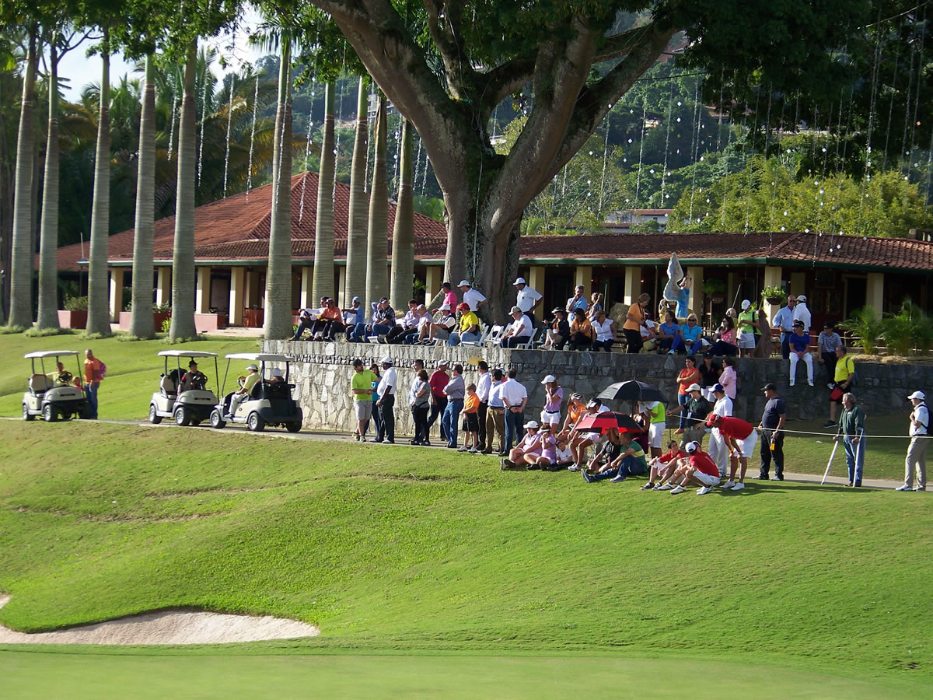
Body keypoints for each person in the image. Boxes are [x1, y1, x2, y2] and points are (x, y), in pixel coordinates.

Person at [705, 413, 758, 491]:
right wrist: (731, 451)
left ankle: (741, 483)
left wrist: (739, 452)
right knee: (733, 457)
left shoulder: (726, 424)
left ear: (717, 422)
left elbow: (732, 440)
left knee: (742, 458)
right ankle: (731, 481)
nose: (712, 425)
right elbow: (726, 439)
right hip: (741, 437)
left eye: (713, 424)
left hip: (749, 436)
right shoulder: (720, 425)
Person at [897, 391, 928, 492]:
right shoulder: (922, 408)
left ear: (917, 399)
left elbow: (917, 424)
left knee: (910, 459)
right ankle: (921, 485)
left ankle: (908, 484)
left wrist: (911, 418)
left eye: (913, 399)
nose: (911, 401)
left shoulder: (920, 409)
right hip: (922, 437)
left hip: (919, 437)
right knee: (920, 461)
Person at [835, 392, 866, 487]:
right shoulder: (844, 411)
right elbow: (841, 424)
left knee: (858, 459)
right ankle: (851, 480)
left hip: (854, 438)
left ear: (849, 401)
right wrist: (838, 434)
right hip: (846, 437)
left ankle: (857, 481)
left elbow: (858, 424)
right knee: (849, 460)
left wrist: (857, 437)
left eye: (844, 401)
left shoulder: (857, 410)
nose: (842, 403)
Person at [758, 383, 787, 481]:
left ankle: (778, 475)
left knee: (775, 453)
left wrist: (777, 431)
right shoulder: (769, 401)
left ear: (771, 391)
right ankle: (763, 474)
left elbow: (782, 417)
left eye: (766, 390)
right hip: (765, 431)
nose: (764, 392)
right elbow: (766, 414)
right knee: (764, 453)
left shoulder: (778, 402)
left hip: (773, 433)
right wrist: (761, 424)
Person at [825, 344, 856, 427]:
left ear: (842, 352)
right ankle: (832, 420)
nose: (836, 352)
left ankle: (850, 420)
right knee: (833, 400)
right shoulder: (839, 360)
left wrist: (846, 383)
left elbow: (851, 373)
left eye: (837, 351)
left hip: (843, 384)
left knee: (846, 402)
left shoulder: (848, 360)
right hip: (838, 384)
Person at [707, 384, 733, 478]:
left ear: (717, 392)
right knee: (711, 450)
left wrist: (724, 430)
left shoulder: (727, 401)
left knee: (722, 450)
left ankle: (722, 472)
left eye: (713, 392)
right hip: (714, 429)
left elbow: (727, 417)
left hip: (721, 429)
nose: (713, 394)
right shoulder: (718, 401)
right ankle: (711, 469)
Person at [501, 368, 528, 452]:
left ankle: (507, 449)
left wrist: (510, 407)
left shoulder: (504, 385)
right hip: (519, 407)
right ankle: (519, 448)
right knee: (519, 430)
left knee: (509, 430)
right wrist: (522, 407)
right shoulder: (521, 386)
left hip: (510, 408)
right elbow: (525, 398)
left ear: (507, 375)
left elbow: (504, 397)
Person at [351, 358, 378, 441]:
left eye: (361, 364)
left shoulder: (368, 372)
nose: (361, 366)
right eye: (359, 365)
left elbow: (377, 379)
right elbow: (354, 391)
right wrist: (365, 391)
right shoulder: (354, 377)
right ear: (355, 368)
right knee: (361, 419)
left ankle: (356, 432)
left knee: (366, 418)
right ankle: (362, 436)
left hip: (369, 399)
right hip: (359, 400)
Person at [674, 356, 701, 432]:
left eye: (689, 361)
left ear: (693, 362)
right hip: (681, 392)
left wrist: (681, 379)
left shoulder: (696, 371)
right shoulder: (683, 370)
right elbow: (677, 380)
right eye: (686, 361)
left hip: (690, 393)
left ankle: (691, 426)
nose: (687, 363)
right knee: (682, 409)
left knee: (690, 410)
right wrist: (682, 379)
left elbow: (689, 379)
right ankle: (681, 427)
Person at [442, 363, 466, 449]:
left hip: (456, 402)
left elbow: (447, 389)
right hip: (450, 402)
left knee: (453, 422)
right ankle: (450, 440)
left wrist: (446, 390)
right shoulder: (453, 379)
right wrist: (446, 390)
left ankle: (453, 442)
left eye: (453, 370)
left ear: (456, 371)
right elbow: (446, 389)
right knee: (445, 420)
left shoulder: (458, 380)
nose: (451, 371)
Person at [374, 357, 397, 443]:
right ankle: (380, 436)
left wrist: (381, 399)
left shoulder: (390, 372)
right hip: (384, 397)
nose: (382, 365)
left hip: (386, 398)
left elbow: (388, 387)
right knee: (382, 418)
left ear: (387, 364)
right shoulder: (388, 372)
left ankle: (390, 438)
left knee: (387, 419)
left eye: (383, 363)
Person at [484, 369, 506, 455]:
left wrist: (503, 409)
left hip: (498, 409)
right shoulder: (492, 385)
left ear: (494, 377)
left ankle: (501, 448)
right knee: (489, 428)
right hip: (490, 408)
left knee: (499, 429)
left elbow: (505, 397)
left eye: (491, 376)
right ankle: (488, 447)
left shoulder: (501, 386)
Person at [427, 360, 450, 443]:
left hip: (444, 398)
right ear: (439, 366)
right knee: (433, 416)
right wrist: (433, 398)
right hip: (436, 397)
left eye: (446, 365)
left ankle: (443, 435)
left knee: (444, 417)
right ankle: (423, 432)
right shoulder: (435, 374)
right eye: (444, 365)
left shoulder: (446, 376)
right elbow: (430, 386)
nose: (445, 366)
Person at [788, 320, 814, 387]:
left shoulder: (807, 337)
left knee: (809, 360)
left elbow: (807, 348)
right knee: (793, 360)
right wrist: (797, 353)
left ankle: (810, 380)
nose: (795, 328)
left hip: (804, 352)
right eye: (795, 327)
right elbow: (791, 348)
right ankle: (792, 380)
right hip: (794, 352)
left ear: (801, 327)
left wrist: (803, 353)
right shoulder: (792, 336)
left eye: (797, 327)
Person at [772, 295, 797, 360]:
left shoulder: (797, 311)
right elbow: (775, 320)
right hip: (785, 334)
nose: (792, 302)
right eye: (790, 301)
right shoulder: (782, 310)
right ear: (788, 301)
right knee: (785, 354)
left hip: (794, 334)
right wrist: (779, 326)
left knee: (794, 355)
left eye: (794, 301)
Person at [817, 322, 842, 386]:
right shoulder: (822, 334)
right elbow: (819, 346)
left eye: (826, 328)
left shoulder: (836, 336)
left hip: (833, 352)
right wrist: (820, 358)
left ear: (831, 329)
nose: (825, 330)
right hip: (824, 352)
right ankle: (830, 382)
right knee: (829, 363)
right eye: (824, 328)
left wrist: (840, 356)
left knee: (836, 363)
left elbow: (839, 346)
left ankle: (836, 380)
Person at [83, 349, 105, 419]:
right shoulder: (86, 361)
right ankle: (90, 414)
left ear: (91, 353)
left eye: (89, 354)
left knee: (93, 399)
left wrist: (92, 381)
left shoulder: (94, 361)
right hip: (87, 382)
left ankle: (94, 415)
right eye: (87, 354)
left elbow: (96, 372)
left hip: (93, 382)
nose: (88, 355)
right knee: (88, 399)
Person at [459, 383, 481, 453]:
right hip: (467, 415)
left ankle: (474, 447)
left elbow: (473, 407)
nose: (467, 392)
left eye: (468, 390)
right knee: (466, 431)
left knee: (473, 431)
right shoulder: (469, 397)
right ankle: (465, 446)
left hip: (472, 415)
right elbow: (465, 406)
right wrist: (465, 413)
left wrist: (464, 411)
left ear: (472, 390)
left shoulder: (475, 398)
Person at [475, 361, 491, 450]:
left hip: (482, 402)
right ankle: (478, 441)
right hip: (479, 401)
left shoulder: (486, 378)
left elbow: (486, 391)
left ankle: (482, 442)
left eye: (478, 368)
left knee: (481, 423)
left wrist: (480, 400)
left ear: (481, 368)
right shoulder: (483, 377)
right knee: (479, 422)